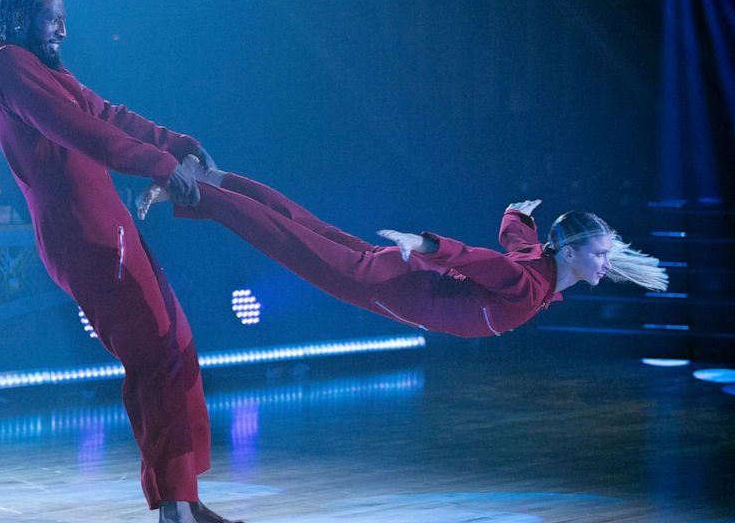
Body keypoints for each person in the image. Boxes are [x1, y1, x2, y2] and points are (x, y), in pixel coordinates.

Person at [0, 0, 244, 523]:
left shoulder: (47, 72)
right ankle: (174, 515)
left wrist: (177, 144)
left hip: (108, 223)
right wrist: (157, 165)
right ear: (23, 18)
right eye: (53, 19)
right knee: (155, 355)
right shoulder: (7, 67)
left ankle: (187, 500)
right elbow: (80, 131)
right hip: (83, 232)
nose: (63, 30)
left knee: (176, 343)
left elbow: (107, 114)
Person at [137, 156, 668, 338]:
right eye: (599, 253)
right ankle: (195, 189)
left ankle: (213, 178)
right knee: (287, 238)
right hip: (389, 281)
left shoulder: (543, 262)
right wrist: (428, 243)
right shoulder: (531, 286)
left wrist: (515, 213)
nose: (606, 261)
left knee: (300, 224)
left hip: (400, 274)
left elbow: (516, 240)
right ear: (572, 252)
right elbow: (482, 260)